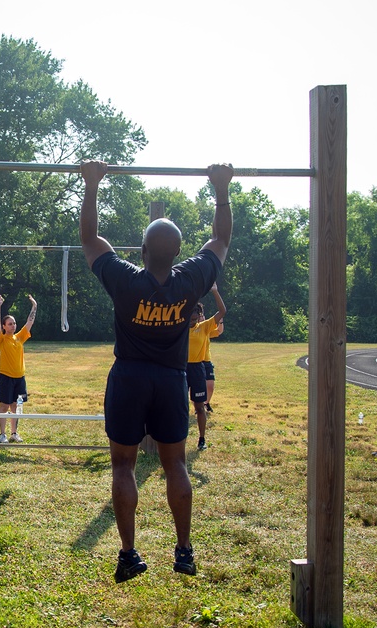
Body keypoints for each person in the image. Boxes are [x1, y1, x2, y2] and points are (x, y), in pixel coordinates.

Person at [79, 159, 233, 582]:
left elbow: (90, 237)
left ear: (143, 252)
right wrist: (220, 188)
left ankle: (128, 554)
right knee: (175, 465)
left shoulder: (126, 280)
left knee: (123, 466)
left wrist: (92, 184)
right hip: (170, 380)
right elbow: (220, 237)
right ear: (179, 253)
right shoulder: (191, 281)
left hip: (129, 378)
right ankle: (184, 551)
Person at [0, 293, 37, 442]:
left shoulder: (19, 337)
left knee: (16, 407)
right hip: (5, 377)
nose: (13, 325)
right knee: (4, 406)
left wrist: (34, 306)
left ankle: (14, 433)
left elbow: (29, 323)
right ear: (5, 327)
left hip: (20, 378)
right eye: (10, 324)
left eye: (14, 323)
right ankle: (2, 434)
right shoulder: (1, 338)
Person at [187, 284, 226, 450]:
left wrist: (215, 292)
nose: (193, 320)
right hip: (180, 369)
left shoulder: (203, 328)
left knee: (199, 407)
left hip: (197, 369)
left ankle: (201, 439)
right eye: (191, 317)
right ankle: (175, 440)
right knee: (178, 406)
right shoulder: (178, 328)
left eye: (196, 317)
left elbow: (222, 312)